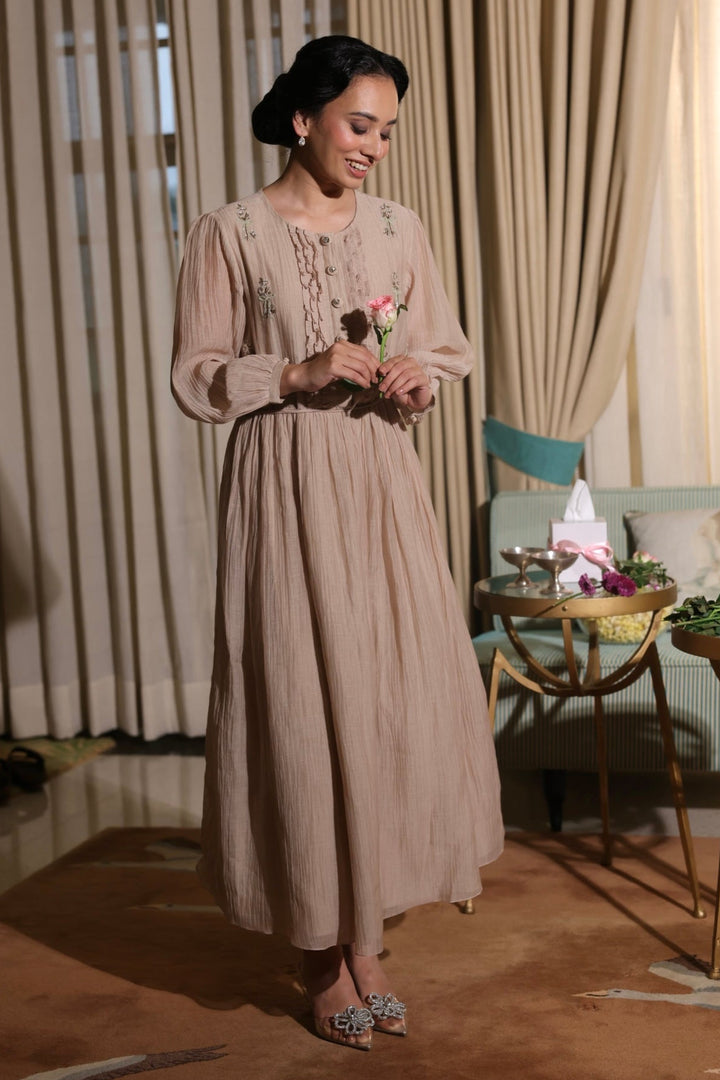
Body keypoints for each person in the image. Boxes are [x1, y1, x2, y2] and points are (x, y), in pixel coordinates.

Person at [171, 34, 503, 1052]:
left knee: (389, 694)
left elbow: (444, 341)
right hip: (286, 489)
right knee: (303, 703)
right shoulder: (229, 231)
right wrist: (295, 373)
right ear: (304, 115)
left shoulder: (401, 226)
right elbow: (197, 374)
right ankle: (323, 953)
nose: (376, 147)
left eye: (388, 131)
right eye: (363, 124)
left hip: (382, 484)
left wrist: (419, 379)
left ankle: (368, 933)